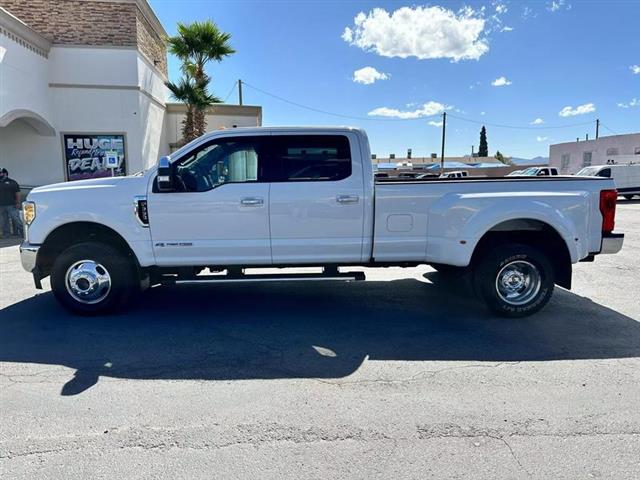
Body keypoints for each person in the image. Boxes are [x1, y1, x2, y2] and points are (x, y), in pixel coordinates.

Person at [0, 168, 23, 237]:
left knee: (16, 219)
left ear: (4, 173)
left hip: (12, 204)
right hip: (1, 206)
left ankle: (23, 233)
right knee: (3, 221)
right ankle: (6, 234)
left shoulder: (12, 182)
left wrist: (18, 202)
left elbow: (17, 193)